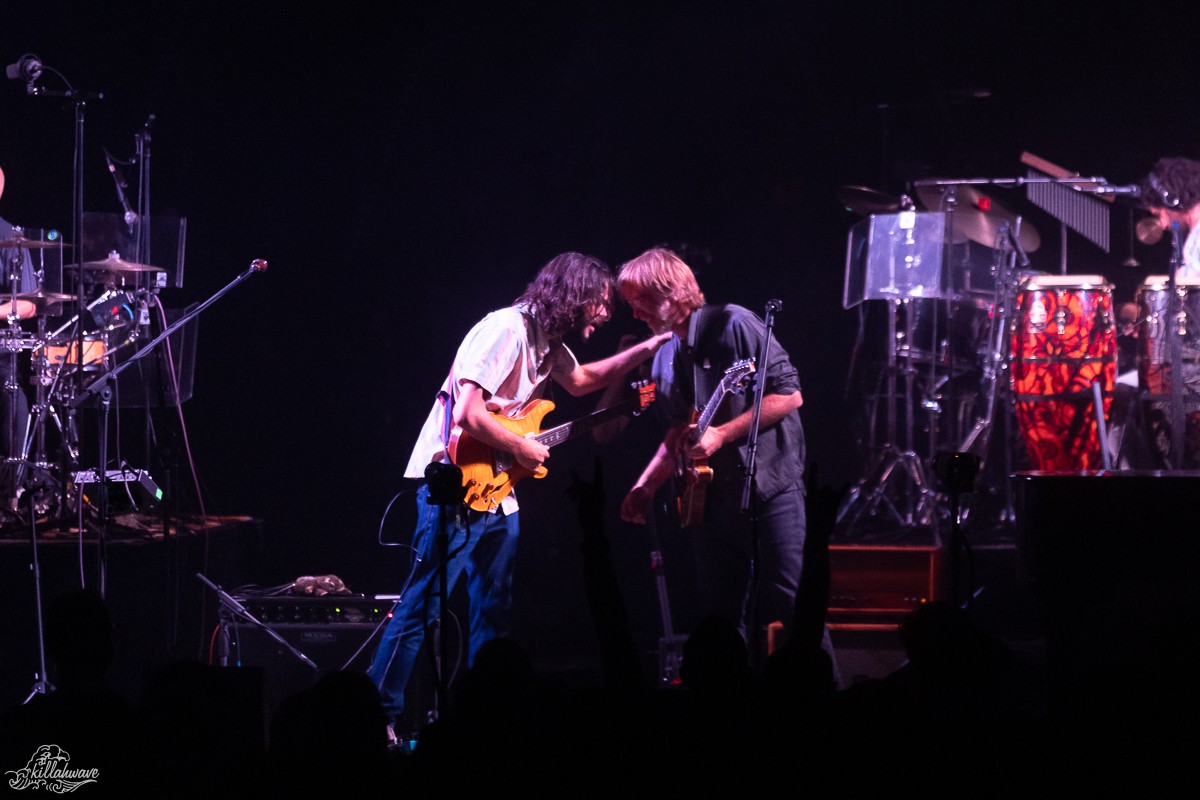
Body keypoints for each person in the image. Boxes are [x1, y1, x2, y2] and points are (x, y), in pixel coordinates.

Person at [368, 251, 670, 739]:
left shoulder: (548, 344)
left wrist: (650, 347)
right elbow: (468, 412)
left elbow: (583, 381)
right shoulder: (506, 329)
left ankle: (485, 718)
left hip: (499, 489)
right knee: (423, 604)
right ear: (574, 295)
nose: (604, 313)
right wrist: (520, 447)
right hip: (455, 483)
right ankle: (375, 716)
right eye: (599, 302)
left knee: (494, 610)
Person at [616, 247, 837, 676]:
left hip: (770, 487)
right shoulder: (663, 357)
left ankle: (827, 695)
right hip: (711, 502)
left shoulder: (735, 323)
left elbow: (789, 395)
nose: (635, 312)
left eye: (640, 300)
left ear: (671, 292)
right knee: (720, 621)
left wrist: (722, 434)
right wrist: (646, 486)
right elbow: (677, 433)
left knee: (794, 605)